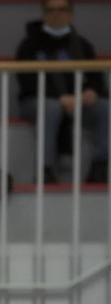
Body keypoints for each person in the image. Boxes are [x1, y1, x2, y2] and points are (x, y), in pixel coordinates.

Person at [15, 0, 109, 184]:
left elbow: (97, 78)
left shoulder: (82, 45)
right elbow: (27, 81)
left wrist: (92, 91)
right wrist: (60, 97)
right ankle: (45, 169)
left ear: (71, 14)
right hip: (37, 101)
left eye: (62, 10)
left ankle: (100, 167)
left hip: (79, 101)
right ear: (43, 14)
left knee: (106, 108)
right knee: (51, 108)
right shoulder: (29, 45)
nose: (56, 14)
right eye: (50, 10)